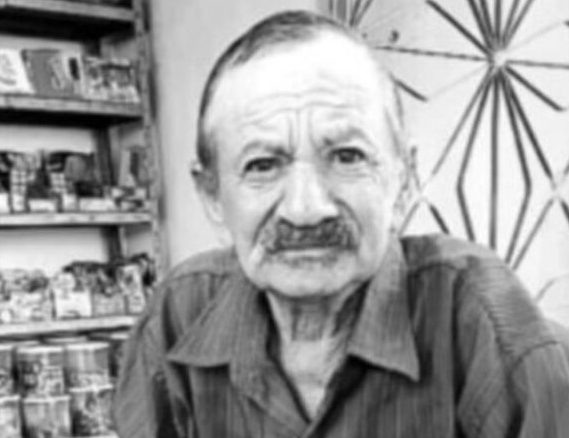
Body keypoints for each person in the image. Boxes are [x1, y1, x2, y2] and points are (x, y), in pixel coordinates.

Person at [114, 10, 569, 438]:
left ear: (404, 180)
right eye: (263, 165)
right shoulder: (177, 316)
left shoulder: (485, 323)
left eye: (347, 157)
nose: (305, 209)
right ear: (212, 196)